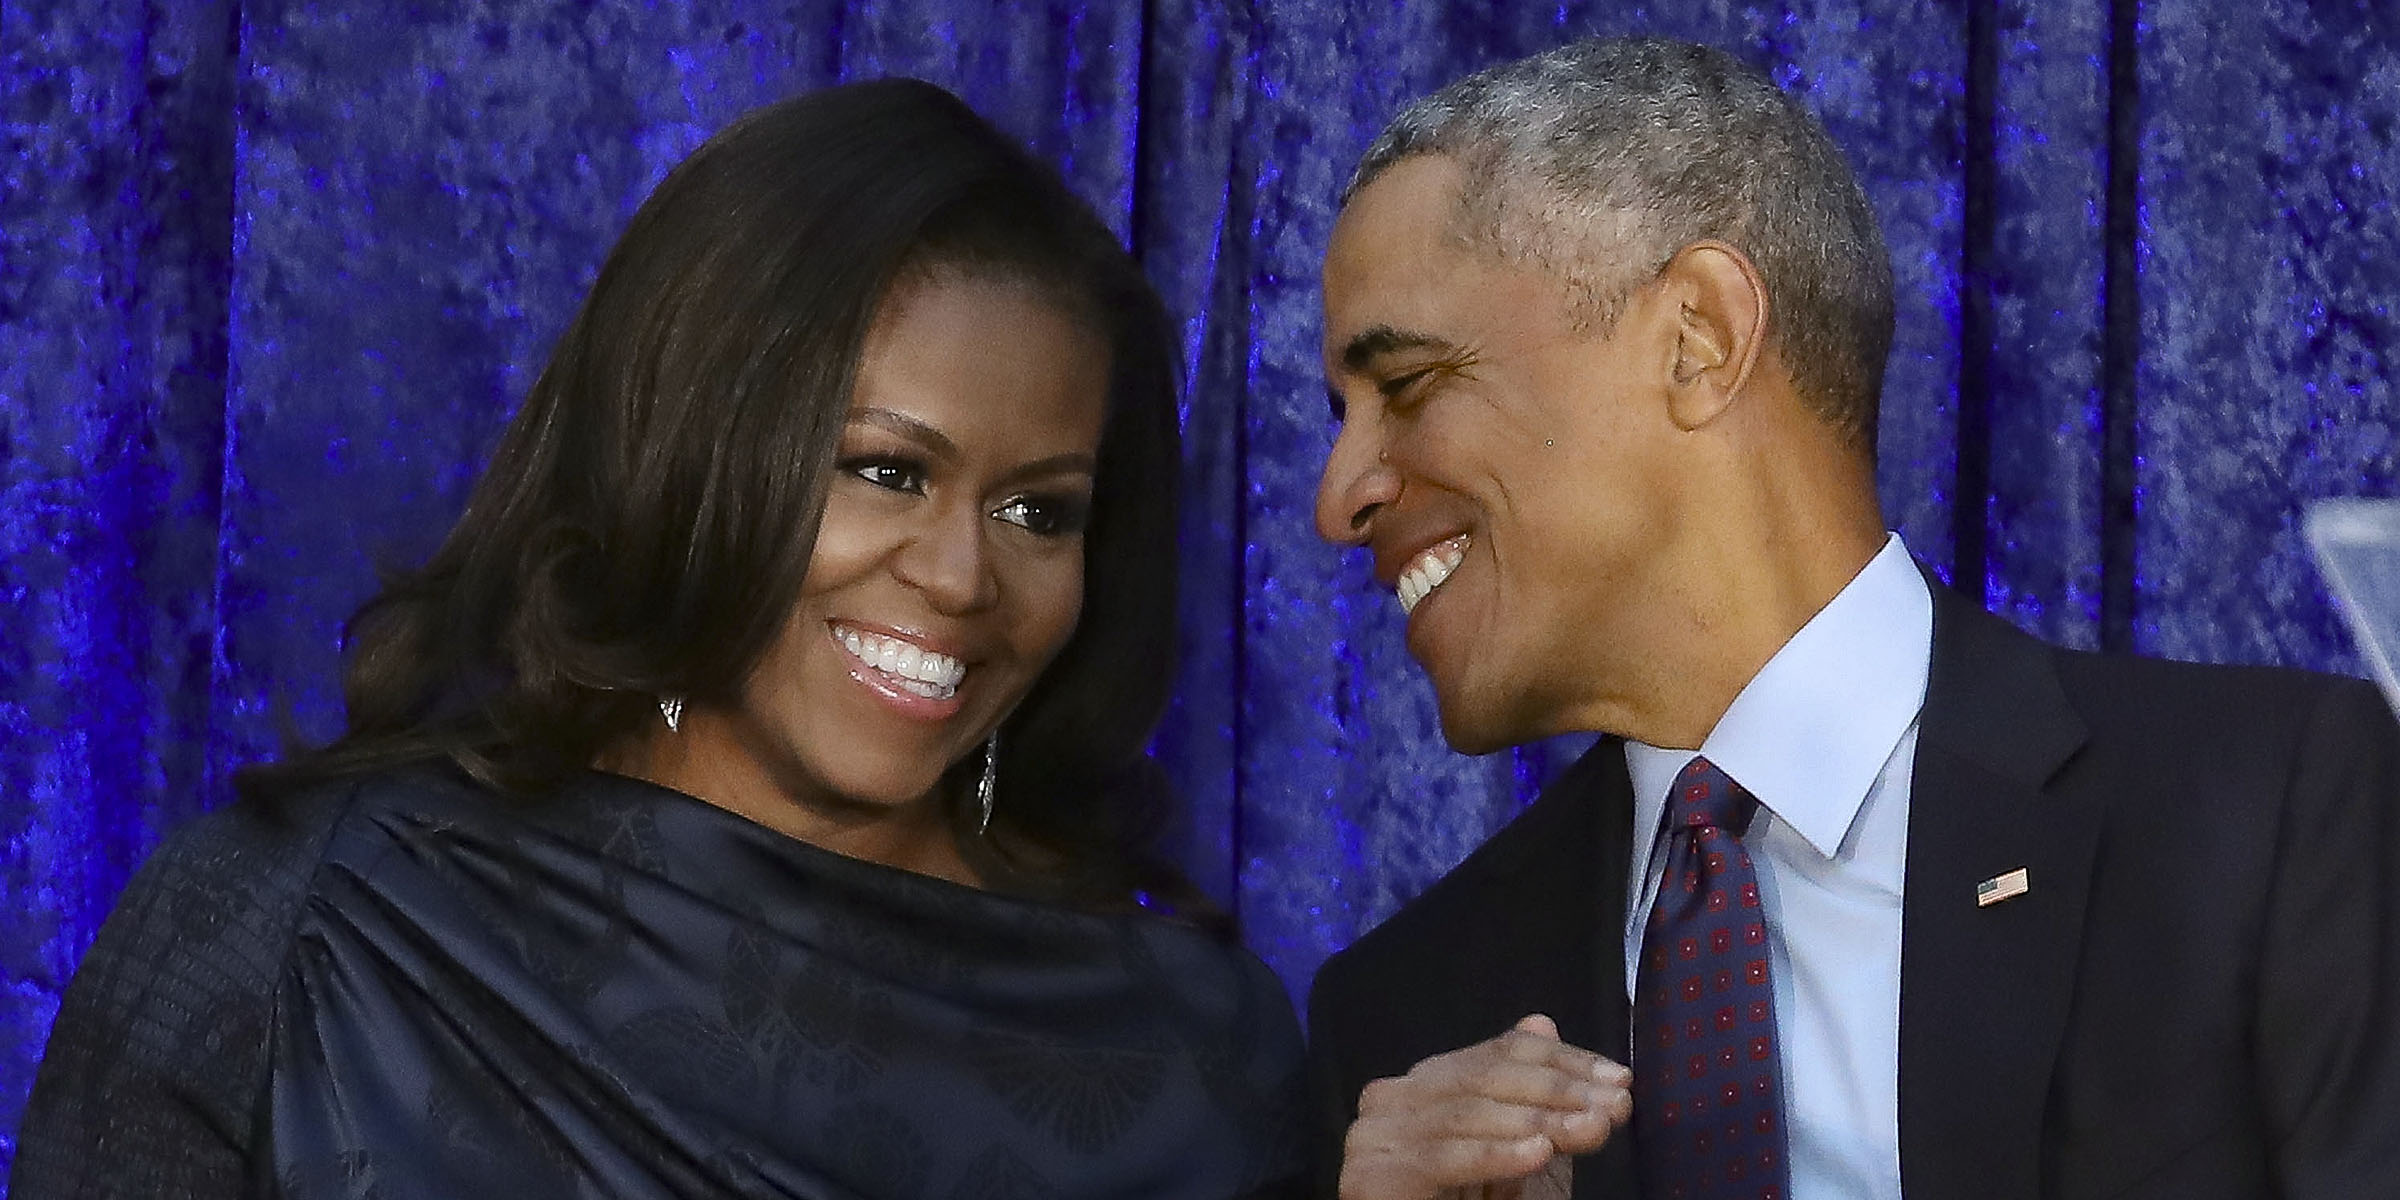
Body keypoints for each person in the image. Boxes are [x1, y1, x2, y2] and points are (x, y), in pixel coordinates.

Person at [16, 79, 1306, 1199]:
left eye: (1038, 510)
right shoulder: (300, 924)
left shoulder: (1189, 1061)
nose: (963, 576)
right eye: (885, 472)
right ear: (686, 455)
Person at [1305, 36, 2400, 1200]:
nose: (1340, 497)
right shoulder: (1404, 1022)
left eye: (1409, 386)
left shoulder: (2274, 813)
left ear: (1701, 337)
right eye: (1339, 416)